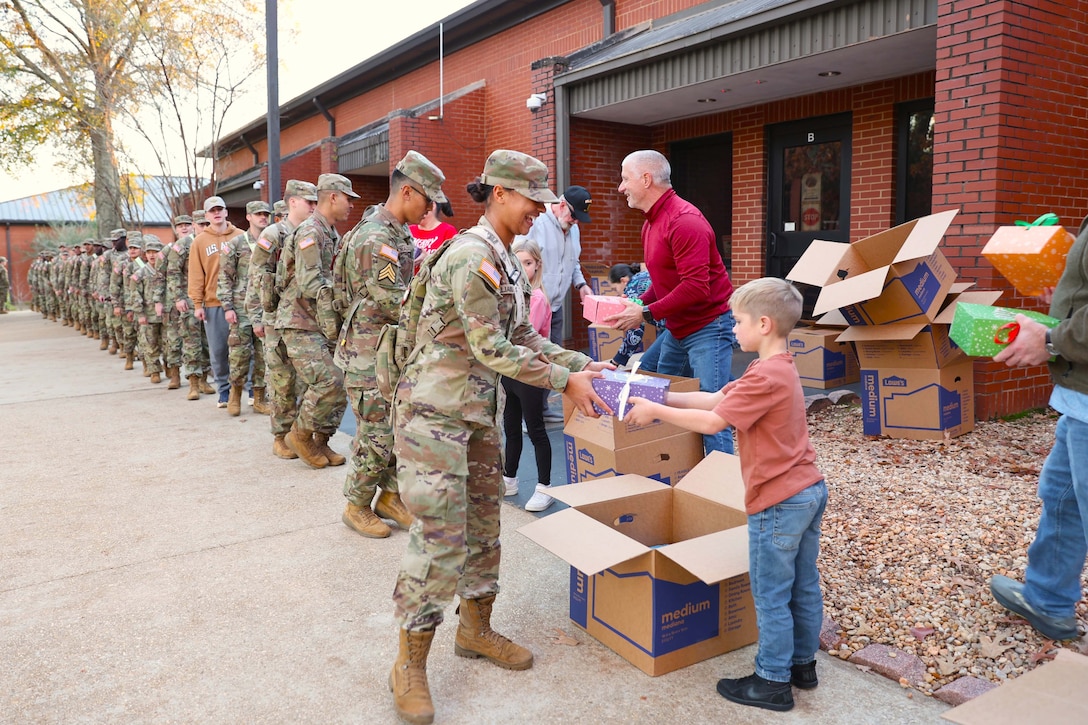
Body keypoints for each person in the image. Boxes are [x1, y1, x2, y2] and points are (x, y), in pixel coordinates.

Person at [387, 149, 611, 725]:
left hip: (475, 415)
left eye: (542, 203)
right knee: (440, 539)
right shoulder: (471, 256)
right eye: (533, 201)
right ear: (503, 194)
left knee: (485, 528)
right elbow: (493, 350)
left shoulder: (504, 257)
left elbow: (522, 336)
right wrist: (565, 382)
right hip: (434, 417)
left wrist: (581, 363)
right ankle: (409, 662)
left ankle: (476, 630)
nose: (539, 212)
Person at [624, 277, 827, 712]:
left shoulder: (763, 377)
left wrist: (656, 412)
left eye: (737, 321)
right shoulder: (774, 368)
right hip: (807, 489)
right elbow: (715, 399)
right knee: (804, 584)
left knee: (771, 592)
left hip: (778, 500)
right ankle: (801, 666)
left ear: (765, 324)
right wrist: (659, 394)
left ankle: (772, 682)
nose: (732, 329)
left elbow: (715, 423)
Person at [334, 151, 446, 539]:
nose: (430, 209)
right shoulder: (377, 236)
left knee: (395, 429)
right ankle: (357, 504)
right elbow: (391, 297)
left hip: (384, 350)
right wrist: (437, 322)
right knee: (378, 433)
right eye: (427, 200)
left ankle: (391, 496)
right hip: (368, 353)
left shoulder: (394, 230)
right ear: (408, 192)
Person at [989, 221, 1088, 643]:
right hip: (1078, 401)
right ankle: (1047, 600)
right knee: (1061, 499)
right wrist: (1063, 305)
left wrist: (1051, 338)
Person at [606, 149, 737, 455]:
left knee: (712, 410)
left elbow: (696, 288)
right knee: (662, 395)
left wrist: (646, 312)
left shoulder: (684, 222)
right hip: (678, 330)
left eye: (625, 179)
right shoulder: (650, 222)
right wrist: (636, 303)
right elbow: (664, 281)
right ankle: (673, 467)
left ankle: (721, 492)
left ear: (646, 179)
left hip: (709, 327)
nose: (620, 187)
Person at [274, 173, 355, 468]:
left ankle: (321, 440)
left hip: (321, 321)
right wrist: (338, 303)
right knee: (328, 380)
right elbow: (311, 283)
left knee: (340, 381)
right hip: (300, 320)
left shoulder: (330, 233)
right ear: (332, 196)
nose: (351, 206)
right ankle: (300, 434)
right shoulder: (311, 231)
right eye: (348, 198)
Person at [247, 180, 318, 460]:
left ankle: (301, 435)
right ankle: (280, 436)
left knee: (305, 381)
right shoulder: (274, 233)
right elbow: (256, 276)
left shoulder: (313, 232)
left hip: (305, 320)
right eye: (308, 202)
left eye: (315, 202)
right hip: (276, 319)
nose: (313, 207)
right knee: (282, 380)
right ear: (292, 202)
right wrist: (256, 317)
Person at [500, 237, 556, 512]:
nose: (523, 269)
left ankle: (545, 486)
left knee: (536, 430)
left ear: (537, 265)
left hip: (532, 373)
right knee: (511, 428)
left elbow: (522, 334)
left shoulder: (536, 298)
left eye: (528, 263)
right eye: (518, 262)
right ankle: (509, 477)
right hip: (511, 372)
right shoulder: (515, 295)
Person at [219, 200, 272, 416]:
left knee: (263, 355)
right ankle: (235, 395)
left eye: (265, 214)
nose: (263, 217)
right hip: (240, 309)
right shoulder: (235, 244)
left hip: (265, 307)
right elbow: (224, 276)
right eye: (258, 214)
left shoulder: (273, 241)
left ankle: (259, 397)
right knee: (239, 355)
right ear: (248, 217)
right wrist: (227, 307)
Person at [189, 196, 240, 408]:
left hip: (238, 302)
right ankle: (224, 391)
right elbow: (196, 274)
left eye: (220, 209)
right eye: (212, 211)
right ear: (207, 215)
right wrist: (197, 304)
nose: (217, 213)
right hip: (213, 304)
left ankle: (245, 389)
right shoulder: (200, 241)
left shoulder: (240, 236)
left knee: (243, 349)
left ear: (226, 212)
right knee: (218, 350)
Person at [409, 198, 457, 270]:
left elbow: (453, 264)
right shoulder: (409, 230)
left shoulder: (448, 231)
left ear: (432, 205)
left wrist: (428, 259)